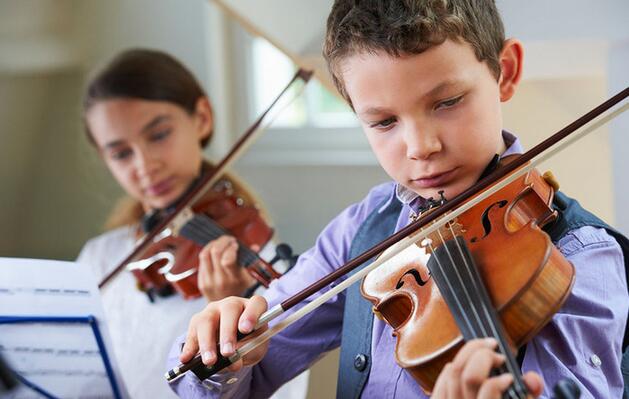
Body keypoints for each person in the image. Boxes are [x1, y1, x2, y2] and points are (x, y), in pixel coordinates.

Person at [168, 1, 629, 398]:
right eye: (384, 122)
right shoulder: (365, 227)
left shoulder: (576, 255)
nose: (420, 146)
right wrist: (222, 351)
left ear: (504, 72)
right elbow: (246, 377)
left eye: (447, 102)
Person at [77, 49, 308, 399]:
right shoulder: (99, 259)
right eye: (122, 153)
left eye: (158, 135)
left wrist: (229, 314)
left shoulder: (255, 261)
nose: (144, 165)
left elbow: (281, 391)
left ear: (201, 118)